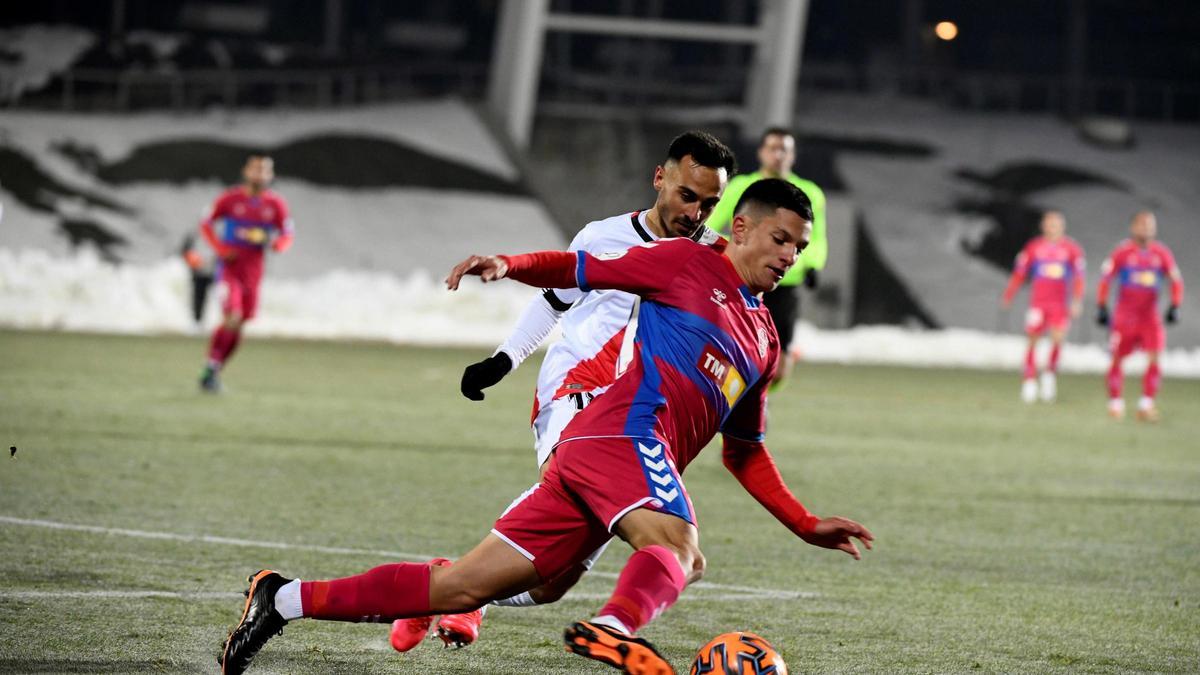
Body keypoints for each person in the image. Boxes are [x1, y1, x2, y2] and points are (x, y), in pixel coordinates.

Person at [218, 179, 873, 675]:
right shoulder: (685, 264)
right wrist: (510, 263)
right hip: (619, 433)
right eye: (780, 238)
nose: (790, 254)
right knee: (681, 549)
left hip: (606, 458)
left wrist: (804, 522)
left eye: (800, 245)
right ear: (740, 227)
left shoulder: (762, 340)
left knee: (468, 586)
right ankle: (615, 627)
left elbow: (746, 450)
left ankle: (282, 598)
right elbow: (581, 268)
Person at [390, 131, 736, 652]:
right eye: (688, 195)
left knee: (555, 581)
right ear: (660, 178)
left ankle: (449, 586)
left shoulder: (717, 259)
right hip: (577, 390)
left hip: (638, 416)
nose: (697, 213)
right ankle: (462, 594)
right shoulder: (603, 236)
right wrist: (503, 359)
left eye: (710, 204)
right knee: (589, 512)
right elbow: (554, 301)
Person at [706, 127, 827, 386]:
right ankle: (734, 401)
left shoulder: (810, 193)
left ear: (792, 155)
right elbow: (712, 224)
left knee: (780, 366)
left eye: (784, 149)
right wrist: (715, 256)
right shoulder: (741, 186)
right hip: (744, 280)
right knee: (731, 350)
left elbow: (816, 237)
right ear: (762, 152)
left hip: (786, 283)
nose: (778, 155)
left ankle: (753, 398)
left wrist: (813, 265)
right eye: (773, 148)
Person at [197, 155, 294, 393]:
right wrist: (221, 249)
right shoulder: (230, 199)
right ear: (246, 171)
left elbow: (287, 233)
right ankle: (210, 367)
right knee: (232, 316)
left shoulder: (275, 205)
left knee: (240, 324)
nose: (259, 174)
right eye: (256, 169)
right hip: (229, 269)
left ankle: (214, 370)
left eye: (265, 170)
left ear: (270, 176)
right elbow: (206, 223)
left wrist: (278, 245)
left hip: (254, 271)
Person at [1096, 211, 1184, 421]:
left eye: (1150, 225)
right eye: (1142, 224)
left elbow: (1176, 281)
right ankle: (1115, 403)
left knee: (1155, 357)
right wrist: (1101, 305)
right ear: (1133, 227)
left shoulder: (1161, 253)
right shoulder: (1122, 253)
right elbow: (1105, 279)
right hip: (1124, 316)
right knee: (1117, 358)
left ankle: (1146, 405)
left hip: (1149, 317)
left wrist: (1175, 305)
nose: (1146, 229)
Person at [1000, 211, 1085, 403]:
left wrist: (1077, 300)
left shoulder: (1071, 249)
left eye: (1056, 224)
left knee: (1057, 339)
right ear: (1043, 226)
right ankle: (1029, 381)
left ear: (1062, 227)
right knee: (1032, 341)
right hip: (1038, 304)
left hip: (1060, 305)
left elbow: (1079, 278)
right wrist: (1009, 294)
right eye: (1049, 224)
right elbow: (1019, 273)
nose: (1053, 228)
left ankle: (1049, 377)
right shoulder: (1034, 247)